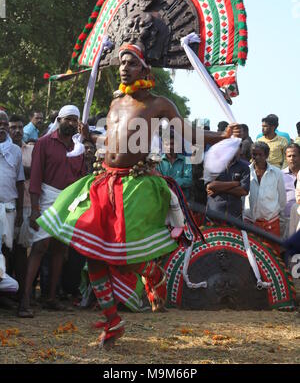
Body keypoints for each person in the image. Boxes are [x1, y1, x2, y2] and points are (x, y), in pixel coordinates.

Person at [37, 42, 242, 348]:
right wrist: (91, 135)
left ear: (145, 69)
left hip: (135, 186)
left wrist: (223, 136)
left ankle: (152, 272)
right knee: (93, 256)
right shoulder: (116, 101)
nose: (123, 68)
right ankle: (112, 321)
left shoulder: (159, 104)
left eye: (131, 63)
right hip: (105, 181)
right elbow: (110, 138)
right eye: (121, 62)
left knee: (122, 256)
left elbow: (188, 134)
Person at [18, 105, 87, 317]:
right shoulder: (43, 143)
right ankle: (25, 300)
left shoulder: (78, 147)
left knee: (60, 249)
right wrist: (35, 209)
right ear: (59, 119)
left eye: (75, 120)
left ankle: (51, 298)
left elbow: (82, 178)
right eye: (68, 119)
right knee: (40, 247)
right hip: (47, 197)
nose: (72, 123)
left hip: (69, 201)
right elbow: (36, 178)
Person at [8, 115, 34, 301]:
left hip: (25, 205)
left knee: (21, 250)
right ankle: (7, 294)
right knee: (5, 251)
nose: (17, 131)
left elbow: (34, 172)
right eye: (13, 127)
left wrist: (17, 170)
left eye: (19, 127)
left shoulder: (31, 150)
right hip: (7, 205)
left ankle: (23, 295)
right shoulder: (4, 150)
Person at [244, 142, 286, 253]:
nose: (256, 158)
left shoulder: (277, 173)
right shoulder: (246, 171)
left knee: (273, 258)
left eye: (260, 154)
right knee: (251, 257)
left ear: (266, 156)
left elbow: (282, 200)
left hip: (271, 224)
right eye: (254, 154)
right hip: (250, 223)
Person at [0, 111, 24, 260]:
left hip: (9, 207)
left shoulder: (15, 151)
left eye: (4, 125)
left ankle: (4, 281)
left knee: (7, 248)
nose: (2, 127)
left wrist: (20, 211)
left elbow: (20, 182)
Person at [206, 145, 250, 219]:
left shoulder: (244, 167)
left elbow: (243, 191)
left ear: (240, 150)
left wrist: (218, 189)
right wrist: (235, 183)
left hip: (235, 216)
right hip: (214, 214)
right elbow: (210, 186)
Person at [157, 129, 193, 203]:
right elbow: (157, 181)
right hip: (164, 201)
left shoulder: (186, 160)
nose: (170, 147)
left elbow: (189, 180)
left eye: (172, 143)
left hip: (182, 201)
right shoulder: (158, 162)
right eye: (167, 144)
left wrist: (170, 182)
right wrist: (177, 182)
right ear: (163, 145)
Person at [281, 144, 300, 239]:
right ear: (286, 158)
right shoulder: (280, 175)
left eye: (294, 155)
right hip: (286, 220)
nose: (292, 158)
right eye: (289, 156)